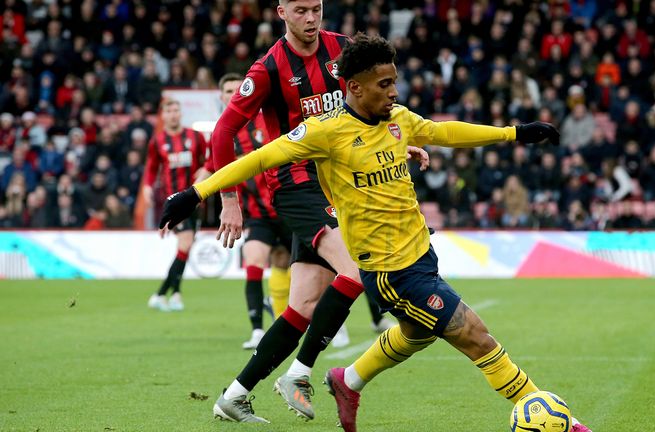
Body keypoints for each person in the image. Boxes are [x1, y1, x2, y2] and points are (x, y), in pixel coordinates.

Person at [158, 33, 590, 432]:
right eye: (384, 84)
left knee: (417, 334)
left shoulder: (397, 119)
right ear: (354, 88)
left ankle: (348, 379)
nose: (394, 91)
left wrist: (514, 133)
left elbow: (443, 132)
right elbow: (259, 158)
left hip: (421, 254)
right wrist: (197, 193)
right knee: (477, 336)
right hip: (391, 272)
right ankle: (556, 420)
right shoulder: (325, 133)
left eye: (394, 81)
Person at [201, 0, 408, 423]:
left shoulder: (344, 50)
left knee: (304, 306)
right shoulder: (268, 68)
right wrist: (229, 199)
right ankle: (299, 372)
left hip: (336, 183)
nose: (311, 19)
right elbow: (223, 132)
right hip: (296, 184)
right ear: (281, 13)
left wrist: (400, 140)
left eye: (316, 9)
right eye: (301, 11)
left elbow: (370, 105)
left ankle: (234, 396)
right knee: (355, 271)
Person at [206, 73, 293, 350]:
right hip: (258, 215)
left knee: (290, 264)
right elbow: (209, 170)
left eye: (236, 88)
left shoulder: (266, 121)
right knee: (254, 262)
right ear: (221, 96)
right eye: (227, 89)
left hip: (289, 206)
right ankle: (257, 329)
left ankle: (298, 319)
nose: (233, 93)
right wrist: (187, 196)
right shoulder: (225, 135)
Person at [144, 99, 207, 312]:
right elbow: (152, 167)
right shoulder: (158, 141)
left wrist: (205, 170)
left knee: (185, 248)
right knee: (185, 242)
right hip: (173, 202)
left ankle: (173, 294)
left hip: (195, 200)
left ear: (180, 113)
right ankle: (162, 293)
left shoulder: (195, 137)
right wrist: (146, 186)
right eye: (169, 111)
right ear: (163, 115)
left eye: (176, 110)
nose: (173, 114)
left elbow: (207, 160)